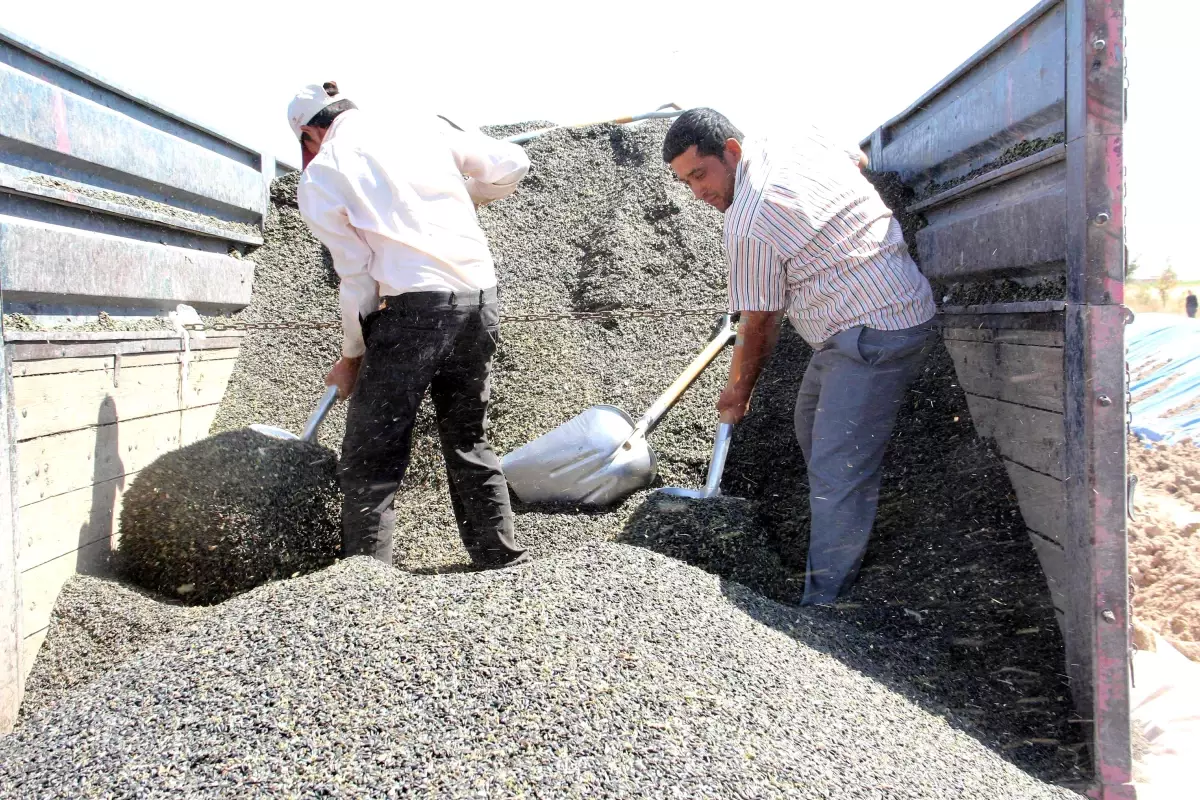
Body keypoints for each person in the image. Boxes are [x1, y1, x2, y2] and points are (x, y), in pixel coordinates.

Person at [663, 108, 937, 605]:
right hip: (855, 323)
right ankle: (845, 525)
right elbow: (856, 158)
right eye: (686, 183)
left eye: (700, 175)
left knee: (837, 472)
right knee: (811, 422)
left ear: (731, 151)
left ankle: (824, 606)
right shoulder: (792, 138)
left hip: (876, 331)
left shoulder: (748, 221)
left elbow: (761, 324)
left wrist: (737, 392)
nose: (698, 193)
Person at [286, 81, 530, 569]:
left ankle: (364, 580)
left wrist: (352, 357)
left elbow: (357, 281)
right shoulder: (424, 124)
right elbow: (512, 164)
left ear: (312, 133)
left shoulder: (325, 173)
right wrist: (471, 193)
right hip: (480, 300)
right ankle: (499, 560)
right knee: (467, 436)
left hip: (413, 312)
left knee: (372, 451)